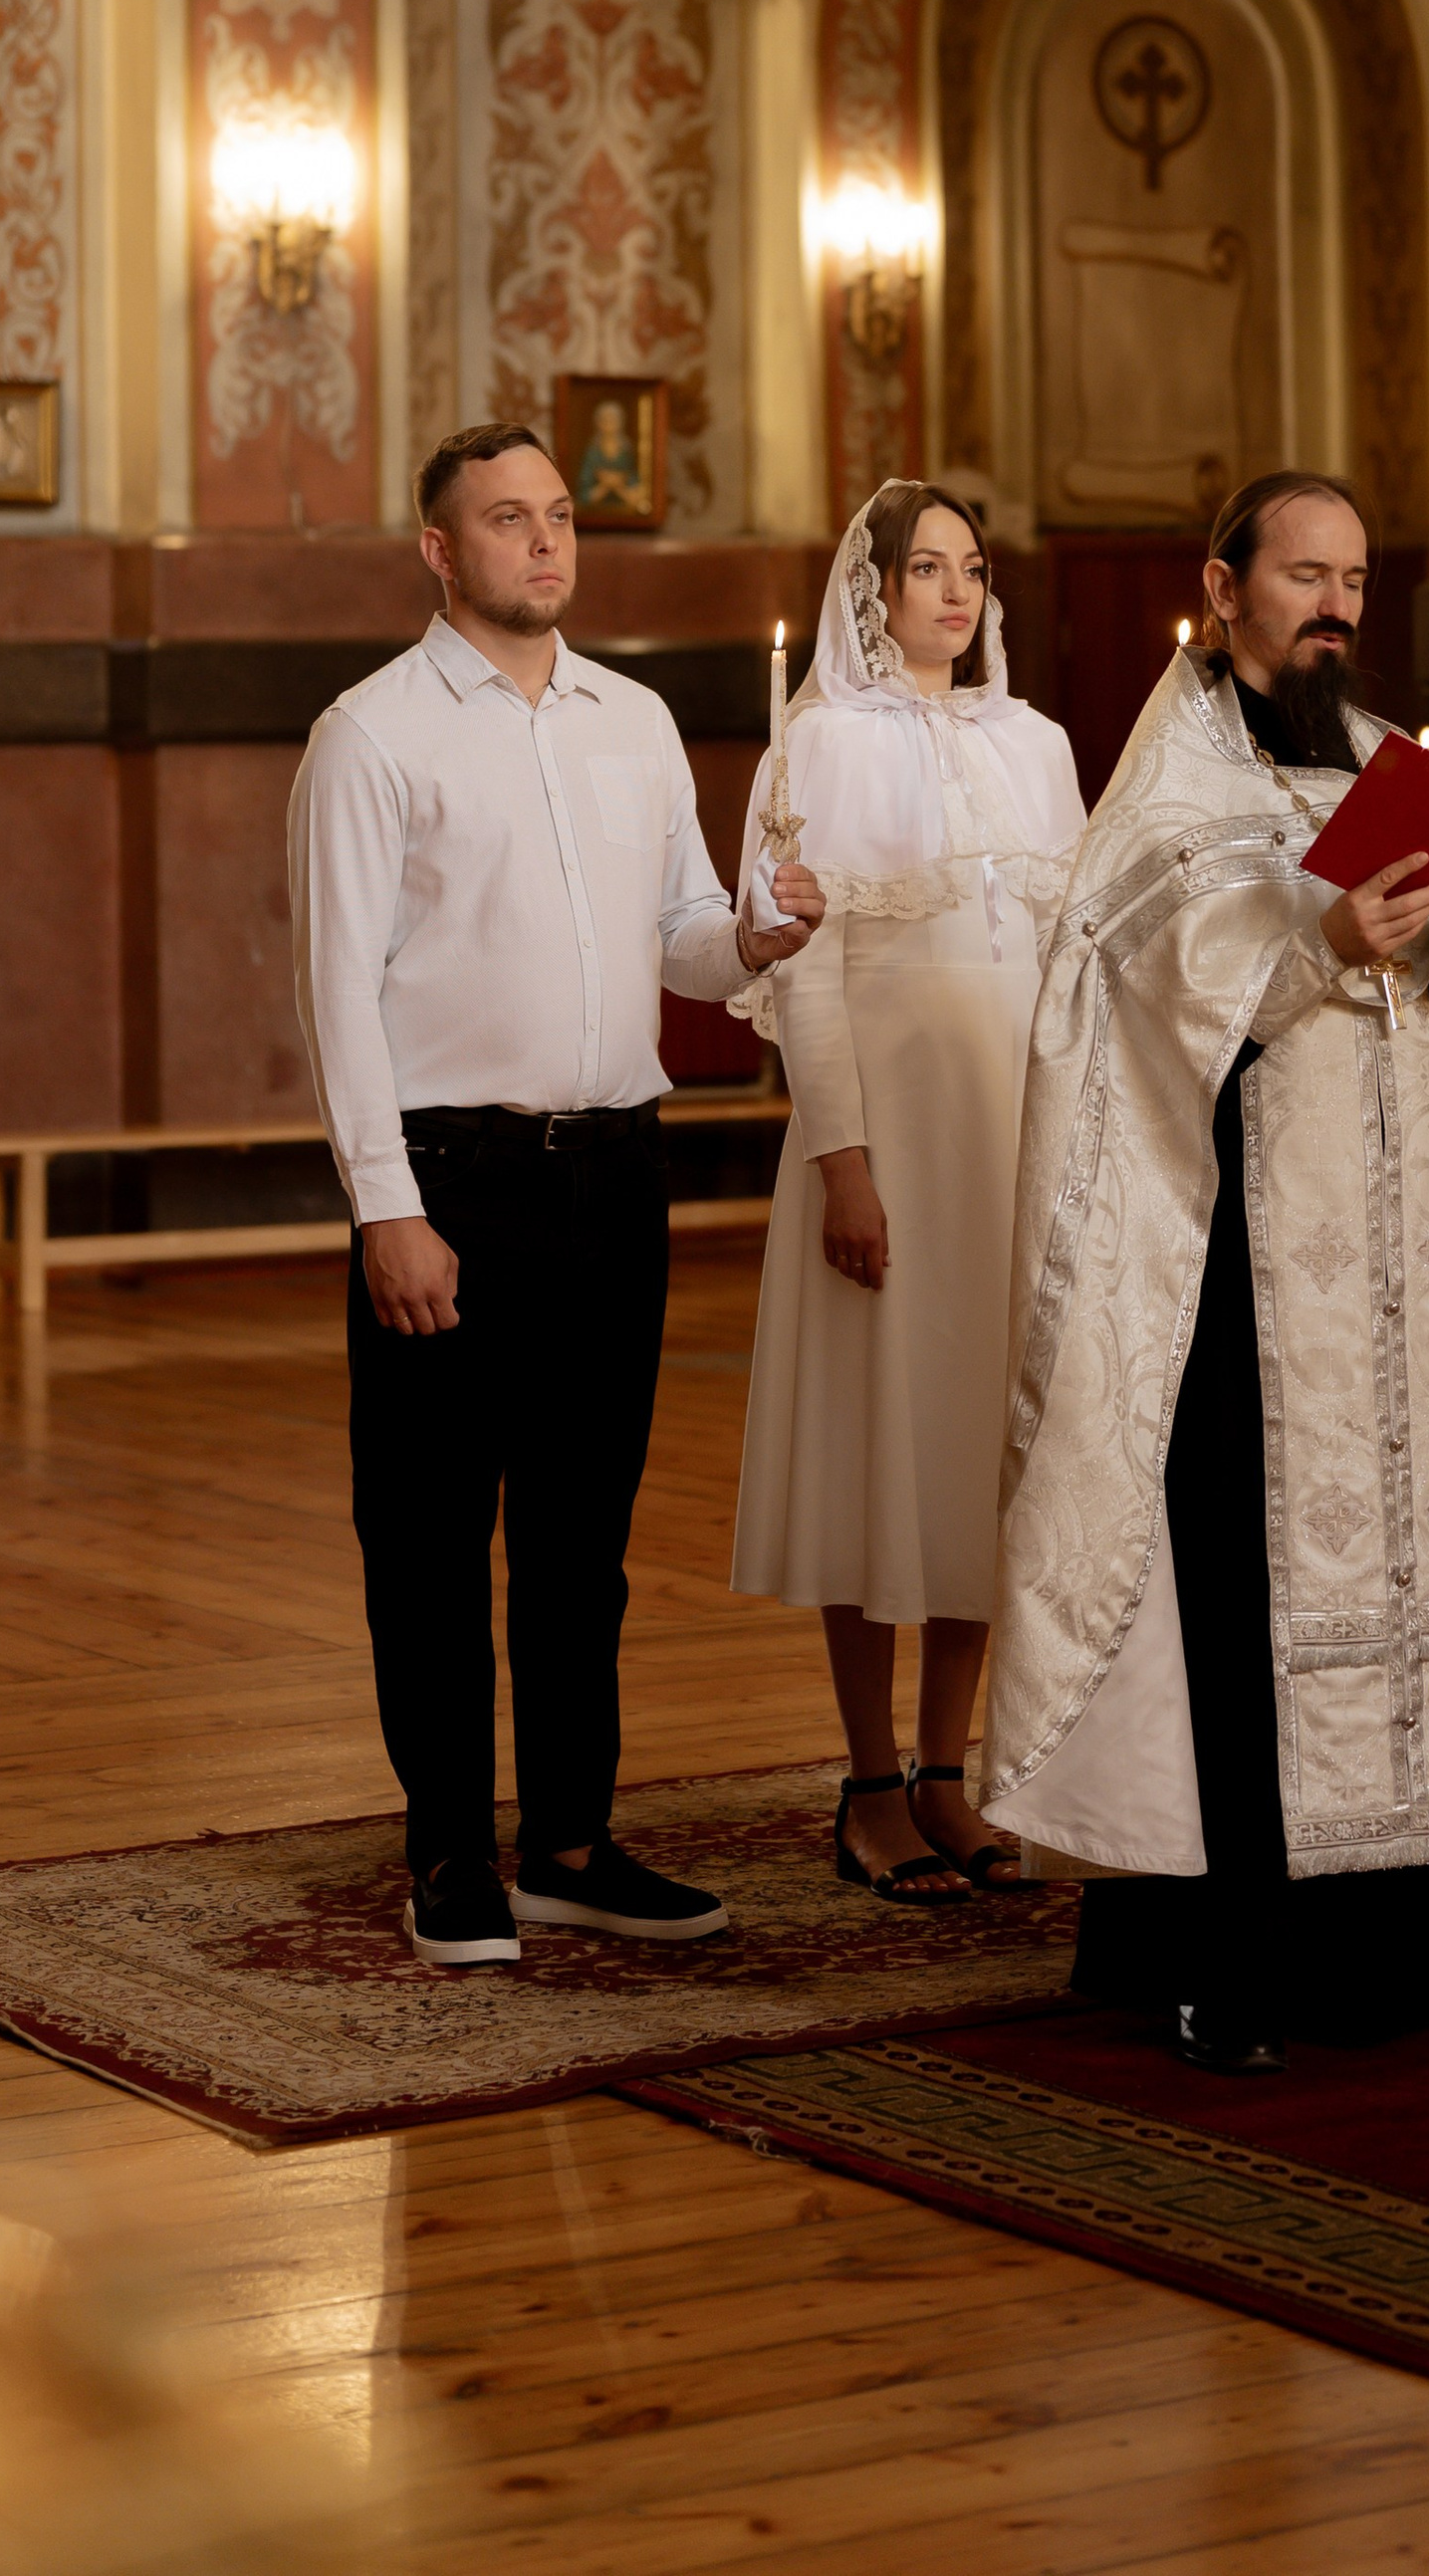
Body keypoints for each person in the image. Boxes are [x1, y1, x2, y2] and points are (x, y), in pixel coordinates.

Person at [980, 469, 1429, 2074]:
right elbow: (1118, 1015)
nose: (1336, 604)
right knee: (1246, 1597)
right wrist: (1311, 949)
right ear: (1225, 586)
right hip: (1247, 1271)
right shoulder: (1164, 792)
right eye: (1305, 573)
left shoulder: (1393, 771)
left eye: (1357, 579)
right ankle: (1225, 1956)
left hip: (1408, 1265)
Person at [288, 422, 826, 1970]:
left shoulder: (633, 719)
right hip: (449, 1181)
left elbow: (680, 936)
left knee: (583, 1541)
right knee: (432, 1534)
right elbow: (338, 992)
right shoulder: (372, 736)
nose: (545, 543)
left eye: (560, 516)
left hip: (613, 1169)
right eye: (507, 520)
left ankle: (572, 1847)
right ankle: (450, 1848)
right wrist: (385, 1205)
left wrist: (757, 945)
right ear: (439, 551)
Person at [730, 484, 1086, 1902]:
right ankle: (869, 1776)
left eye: (971, 567)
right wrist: (844, 1162)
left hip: (1013, 1145)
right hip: (886, 1145)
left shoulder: (1040, 744)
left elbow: (1075, 962)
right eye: (923, 567)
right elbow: (803, 977)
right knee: (873, 1452)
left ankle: (953, 1769)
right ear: (869, 590)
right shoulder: (811, 745)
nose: (953, 591)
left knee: (977, 1459)